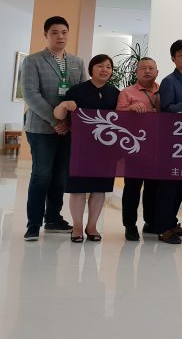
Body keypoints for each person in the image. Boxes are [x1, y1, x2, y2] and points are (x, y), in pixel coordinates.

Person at [21, 16, 87, 241]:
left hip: (68, 129)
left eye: (64, 32)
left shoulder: (77, 62)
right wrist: (55, 121)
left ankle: (53, 218)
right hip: (41, 128)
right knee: (41, 175)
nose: (60, 36)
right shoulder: (33, 61)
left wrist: (69, 123)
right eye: (54, 32)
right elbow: (31, 95)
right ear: (46, 35)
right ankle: (33, 225)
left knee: (60, 177)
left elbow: (82, 93)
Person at [54, 54, 119, 243]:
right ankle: (77, 226)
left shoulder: (115, 93)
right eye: (100, 66)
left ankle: (92, 226)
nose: (105, 70)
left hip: (105, 149)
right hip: (79, 148)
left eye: (108, 67)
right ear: (91, 69)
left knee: (100, 189)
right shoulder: (77, 90)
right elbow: (59, 115)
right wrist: (64, 105)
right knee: (78, 188)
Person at [154, 39, 182, 244]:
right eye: (181, 55)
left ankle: (171, 223)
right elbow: (166, 108)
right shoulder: (169, 81)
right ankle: (163, 229)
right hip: (172, 144)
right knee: (168, 186)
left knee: (180, 184)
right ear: (173, 59)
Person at [116, 57, 160, 242]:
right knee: (132, 188)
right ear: (136, 72)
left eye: (151, 68)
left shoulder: (163, 91)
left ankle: (150, 222)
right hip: (135, 147)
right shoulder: (127, 92)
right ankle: (130, 225)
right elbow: (117, 116)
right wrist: (131, 109)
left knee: (153, 188)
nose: (147, 71)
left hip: (158, 147)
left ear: (157, 72)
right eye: (143, 68)